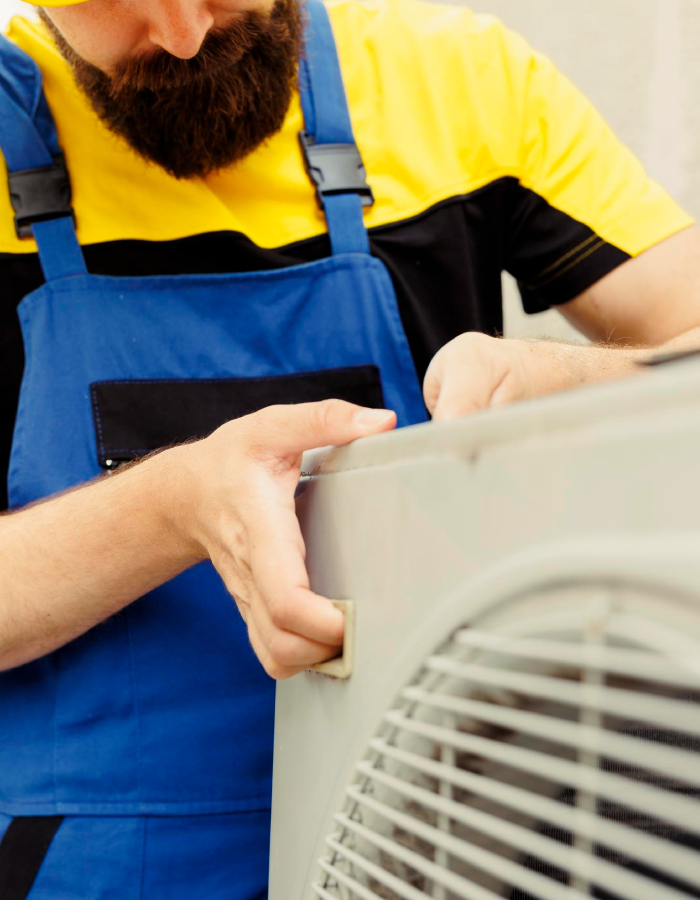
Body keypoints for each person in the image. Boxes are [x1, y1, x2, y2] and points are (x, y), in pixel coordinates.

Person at [0, 0, 698, 895]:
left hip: (448, 838)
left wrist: (587, 388)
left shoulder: (460, 85)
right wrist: (173, 504)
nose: (182, 32)